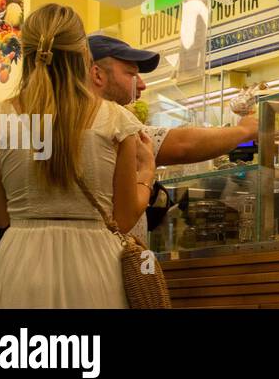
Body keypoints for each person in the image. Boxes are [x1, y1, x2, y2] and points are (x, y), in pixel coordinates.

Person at [0, 4, 155, 308]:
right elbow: (123, 219)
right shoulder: (117, 122)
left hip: (20, 261)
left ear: (27, 54)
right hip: (95, 264)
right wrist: (147, 173)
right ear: (84, 56)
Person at [87, 34, 260, 242]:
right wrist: (244, 131)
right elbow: (183, 145)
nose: (141, 85)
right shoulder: (113, 126)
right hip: (105, 259)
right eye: (131, 74)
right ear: (97, 74)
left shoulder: (52, 124)